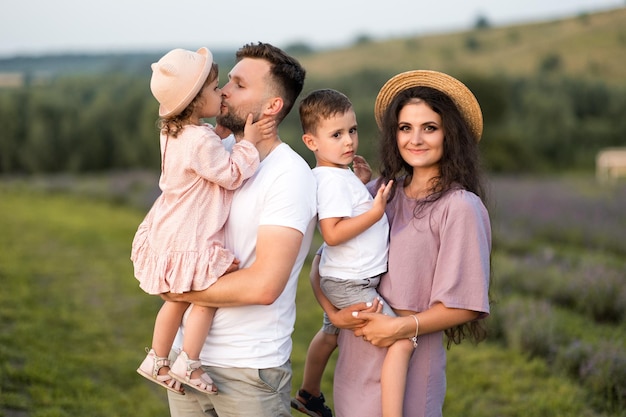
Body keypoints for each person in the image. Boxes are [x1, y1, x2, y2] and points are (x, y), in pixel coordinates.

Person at [310, 70, 491, 417]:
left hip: (410, 369)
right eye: (405, 128)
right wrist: (334, 315)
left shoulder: (460, 207)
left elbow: (466, 303)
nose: (415, 139)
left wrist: (399, 327)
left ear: (450, 134)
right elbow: (323, 262)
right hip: (354, 366)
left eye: (430, 128)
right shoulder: (380, 193)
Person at [160, 42, 317, 417]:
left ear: (272, 106)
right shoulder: (208, 150)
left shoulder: (289, 175)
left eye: (239, 85)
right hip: (185, 361)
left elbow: (264, 286)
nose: (224, 91)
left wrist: (175, 286)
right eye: (226, 82)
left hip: (248, 372)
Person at [132, 47, 274, 395]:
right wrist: (249, 145)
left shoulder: (174, 133)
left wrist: (220, 135)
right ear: (195, 102)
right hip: (190, 236)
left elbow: (201, 153)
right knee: (207, 295)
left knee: (176, 299)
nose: (221, 93)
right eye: (213, 89)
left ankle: (157, 358)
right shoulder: (200, 139)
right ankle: (190, 363)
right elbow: (229, 173)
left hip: (167, 228)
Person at [292, 88, 413, 417]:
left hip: (343, 277)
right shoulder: (331, 181)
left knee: (330, 335)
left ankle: (309, 393)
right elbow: (332, 234)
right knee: (401, 341)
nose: (348, 141)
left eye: (352, 131)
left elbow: (346, 211)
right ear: (311, 142)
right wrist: (375, 211)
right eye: (336, 135)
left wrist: (360, 183)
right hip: (352, 284)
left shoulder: (335, 176)